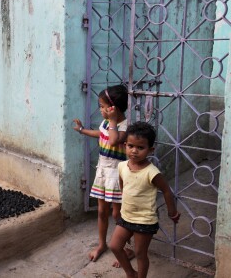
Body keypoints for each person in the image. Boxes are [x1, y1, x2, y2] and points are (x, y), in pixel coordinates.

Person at [109, 122, 179, 278]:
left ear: (150, 150)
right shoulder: (122, 166)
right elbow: (123, 187)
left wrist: (172, 212)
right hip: (126, 217)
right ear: (125, 145)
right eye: (131, 146)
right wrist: (121, 209)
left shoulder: (151, 172)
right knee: (114, 246)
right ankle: (130, 273)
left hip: (144, 220)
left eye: (140, 148)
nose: (134, 151)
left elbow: (166, 190)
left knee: (141, 254)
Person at [72, 84, 133, 263]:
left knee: (117, 214)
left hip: (117, 173)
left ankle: (125, 247)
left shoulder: (125, 126)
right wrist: (82, 130)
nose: (100, 109)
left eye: (102, 106)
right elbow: (102, 134)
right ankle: (102, 244)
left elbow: (114, 141)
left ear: (113, 108)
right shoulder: (107, 123)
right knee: (101, 211)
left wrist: (113, 120)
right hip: (103, 171)